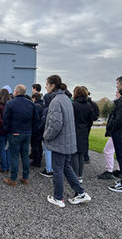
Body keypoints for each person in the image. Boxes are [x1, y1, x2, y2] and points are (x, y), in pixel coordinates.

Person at [43, 75, 91, 208]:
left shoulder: (56, 101)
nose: (45, 86)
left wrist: (46, 136)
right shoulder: (65, 98)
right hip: (68, 141)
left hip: (60, 143)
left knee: (58, 169)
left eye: (47, 84)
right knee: (66, 167)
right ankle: (81, 193)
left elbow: (55, 124)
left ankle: (58, 198)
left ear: (53, 85)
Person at [2, 84, 39, 186]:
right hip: (27, 133)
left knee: (14, 156)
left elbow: (6, 119)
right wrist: (31, 130)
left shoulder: (10, 103)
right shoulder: (31, 104)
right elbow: (36, 120)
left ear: (17, 92)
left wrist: (6, 130)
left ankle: (13, 179)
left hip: (14, 132)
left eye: (14, 90)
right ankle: (25, 177)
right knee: (25, 155)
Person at [71, 87, 94, 183]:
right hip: (84, 131)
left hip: (75, 130)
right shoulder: (89, 105)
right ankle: (80, 175)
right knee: (81, 154)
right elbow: (90, 120)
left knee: (75, 155)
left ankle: (75, 175)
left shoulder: (74, 105)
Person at [98, 91, 121, 180]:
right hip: (121, 131)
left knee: (108, 150)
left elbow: (118, 118)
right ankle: (120, 171)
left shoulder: (120, 104)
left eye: (117, 93)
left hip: (117, 132)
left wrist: (112, 129)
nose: (115, 94)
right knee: (120, 151)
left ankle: (109, 171)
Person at [0, 88, 11, 173]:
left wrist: (3, 124)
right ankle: (8, 166)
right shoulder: (10, 104)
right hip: (9, 129)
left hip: (0, 129)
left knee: (2, 148)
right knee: (8, 148)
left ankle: (4, 167)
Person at [82, 86, 100, 164]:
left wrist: (90, 118)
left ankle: (85, 156)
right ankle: (85, 156)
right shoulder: (93, 104)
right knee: (85, 140)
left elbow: (96, 115)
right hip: (88, 124)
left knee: (83, 140)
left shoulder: (91, 104)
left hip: (85, 124)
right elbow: (96, 115)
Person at [39, 92, 54, 178]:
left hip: (47, 133)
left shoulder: (47, 110)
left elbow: (43, 123)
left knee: (48, 152)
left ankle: (49, 170)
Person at [30, 92, 45, 167]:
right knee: (39, 145)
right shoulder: (43, 105)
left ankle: (36, 161)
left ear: (34, 98)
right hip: (41, 128)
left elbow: (33, 118)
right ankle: (39, 159)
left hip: (36, 128)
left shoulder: (36, 106)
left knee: (35, 145)